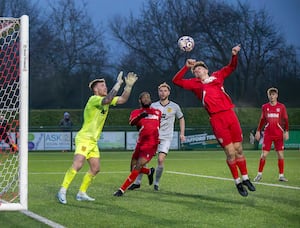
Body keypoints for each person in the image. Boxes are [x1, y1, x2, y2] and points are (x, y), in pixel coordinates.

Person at [172, 44, 255, 197]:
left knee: (239, 150)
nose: (197, 70)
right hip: (217, 119)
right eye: (195, 70)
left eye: (199, 68)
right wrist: (185, 67)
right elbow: (176, 80)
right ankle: (237, 182)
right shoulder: (195, 84)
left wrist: (234, 54)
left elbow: (231, 67)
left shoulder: (218, 76)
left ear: (206, 69)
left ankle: (246, 178)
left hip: (230, 115)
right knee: (230, 153)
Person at [56, 71, 138, 204]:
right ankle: (62, 191)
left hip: (92, 141)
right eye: (102, 86)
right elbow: (107, 99)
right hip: (84, 138)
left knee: (95, 168)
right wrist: (118, 84)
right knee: (78, 164)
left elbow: (122, 99)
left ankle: (81, 193)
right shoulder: (93, 99)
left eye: (105, 85)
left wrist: (128, 86)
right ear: (95, 89)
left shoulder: (105, 101)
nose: (105, 87)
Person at [128, 82, 185, 191]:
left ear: (169, 92)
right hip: (152, 137)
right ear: (158, 92)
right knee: (143, 161)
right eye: (161, 91)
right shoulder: (153, 105)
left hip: (166, 137)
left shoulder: (174, 106)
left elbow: (181, 118)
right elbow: (145, 119)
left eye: (165, 91)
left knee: (160, 159)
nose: (163, 93)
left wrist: (182, 133)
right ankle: (137, 182)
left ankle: (156, 183)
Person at [113, 92, 162, 197]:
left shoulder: (157, 112)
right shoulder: (136, 112)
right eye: (144, 98)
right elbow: (131, 123)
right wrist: (140, 116)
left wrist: (157, 139)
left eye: (148, 97)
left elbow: (157, 126)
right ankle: (149, 171)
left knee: (138, 166)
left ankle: (121, 190)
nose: (146, 99)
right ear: (140, 101)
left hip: (151, 145)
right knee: (133, 168)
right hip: (140, 143)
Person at [253, 87, 289, 182]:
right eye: (270, 95)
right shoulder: (265, 107)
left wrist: (286, 131)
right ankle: (259, 175)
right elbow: (262, 120)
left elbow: (285, 119)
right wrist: (258, 131)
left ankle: (281, 176)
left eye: (273, 94)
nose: (272, 96)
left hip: (278, 135)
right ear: (268, 96)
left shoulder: (281, 107)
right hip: (268, 134)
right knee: (264, 155)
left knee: (281, 155)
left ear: (276, 95)